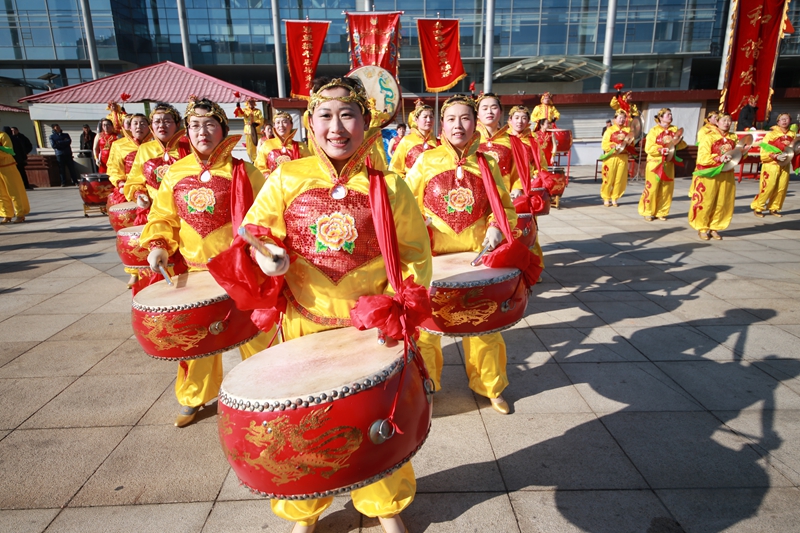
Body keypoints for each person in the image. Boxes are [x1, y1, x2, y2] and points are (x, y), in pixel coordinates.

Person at [210, 76, 432, 533]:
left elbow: (415, 255)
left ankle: (385, 506)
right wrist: (266, 256)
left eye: (347, 115)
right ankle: (305, 511)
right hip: (303, 324)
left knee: (376, 420)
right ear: (310, 123)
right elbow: (255, 233)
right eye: (325, 116)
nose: (336, 127)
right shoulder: (286, 177)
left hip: (370, 329)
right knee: (301, 423)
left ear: (366, 122)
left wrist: (397, 305)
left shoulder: (390, 186)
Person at [141, 96, 270, 428]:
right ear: (187, 131)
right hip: (194, 273)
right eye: (195, 125)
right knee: (197, 341)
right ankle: (193, 397)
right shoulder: (176, 172)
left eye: (210, 124)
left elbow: (265, 219)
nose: (202, 132)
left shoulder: (245, 171)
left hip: (240, 271)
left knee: (257, 335)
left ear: (222, 129)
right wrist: (158, 246)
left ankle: (264, 393)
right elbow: (163, 217)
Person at [406, 94, 523, 416]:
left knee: (484, 326)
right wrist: (419, 221)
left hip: (476, 258)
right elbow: (404, 205)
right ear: (442, 125)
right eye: (451, 119)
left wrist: (496, 225)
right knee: (427, 330)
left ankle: (491, 387)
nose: (458, 125)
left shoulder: (487, 163)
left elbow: (504, 207)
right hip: (432, 260)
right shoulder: (426, 161)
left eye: (465, 118)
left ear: (475, 123)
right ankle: (427, 386)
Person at [689, 112, 739, 240]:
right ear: (717, 122)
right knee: (707, 200)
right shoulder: (709, 136)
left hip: (727, 173)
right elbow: (702, 157)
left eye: (729, 121)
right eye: (724, 120)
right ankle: (702, 227)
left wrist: (742, 152)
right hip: (710, 173)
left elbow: (738, 154)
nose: (727, 123)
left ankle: (715, 227)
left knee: (723, 201)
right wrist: (718, 158)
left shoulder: (733, 137)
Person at [637, 108, 687, 221]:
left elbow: (682, 145)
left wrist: (678, 141)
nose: (670, 116)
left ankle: (661, 212)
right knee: (652, 187)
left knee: (666, 188)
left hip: (668, 163)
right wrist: (660, 149)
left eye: (671, 114)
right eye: (667, 115)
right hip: (655, 163)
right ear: (660, 117)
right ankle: (647, 211)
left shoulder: (674, 129)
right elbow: (648, 148)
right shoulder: (654, 131)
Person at [751, 112, 796, 217]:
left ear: (790, 121)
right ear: (778, 122)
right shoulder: (771, 134)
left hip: (785, 164)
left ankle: (774, 207)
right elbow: (764, 150)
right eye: (782, 119)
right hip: (771, 164)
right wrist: (775, 156)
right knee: (768, 187)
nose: (784, 121)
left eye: (786, 119)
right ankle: (758, 207)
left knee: (781, 187)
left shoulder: (792, 134)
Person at [106, 113, 152, 207]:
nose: (139, 126)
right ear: (130, 128)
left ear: (149, 127)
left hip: (151, 188)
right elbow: (114, 168)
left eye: (143, 124)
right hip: (128, 188)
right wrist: (121, 183)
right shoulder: (119, 145)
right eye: (135, 123)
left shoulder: (155, 145)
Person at [476, 93, 519, 192]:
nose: (489, 112)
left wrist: (517, 188)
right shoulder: (469, 140)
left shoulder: (512, 141)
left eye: (494, 108)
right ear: (477, 114)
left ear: (501, 111)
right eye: (485, 108)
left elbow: (519, 171)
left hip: (504, 194)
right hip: (477, 194)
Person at [388, 100, 439, 178]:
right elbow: (395, 168)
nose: (429, 120)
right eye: (425, 117)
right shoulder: (406, 141)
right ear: (416, 119)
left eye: (431, 117)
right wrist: (404, 182)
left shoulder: (438, 143)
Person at [253, 110, 311, 178]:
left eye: (284, 122)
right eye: (278, 123)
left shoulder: (301, 146)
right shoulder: (267, 145)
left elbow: (309, 167)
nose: (281, 125)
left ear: (291, 125)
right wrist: (267, 176)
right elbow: (259, 167)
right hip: (273, 183)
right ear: (274, 126)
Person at [599, 110, 631, 207]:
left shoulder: (628, 130)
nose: (622, 120)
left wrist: (629, 145)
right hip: (611, 158)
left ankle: (615, 197)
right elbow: (604, 144)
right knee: (609, 178)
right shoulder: (609, 130)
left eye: (623, 118)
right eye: (620, 118)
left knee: (620, 179)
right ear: (615, 119)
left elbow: (631, 143)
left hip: (623, 157)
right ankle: (606, 197)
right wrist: (613, 146)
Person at [0, 125, 30, 223]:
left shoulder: (3, 136)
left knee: (14, 191)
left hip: (7, 167)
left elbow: (9, 151)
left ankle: (20, 214)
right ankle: (6, 214)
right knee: (1, 194)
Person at [234, 97, 264, 162]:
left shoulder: (258, 111)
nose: (251, 103)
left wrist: (257, 123)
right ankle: (253, 160)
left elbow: (261, 120)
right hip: (248, 131)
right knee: (250, 147)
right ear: (247, 103)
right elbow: (239, 114)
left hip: (257, 131)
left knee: (259, 145)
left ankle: (259, 160)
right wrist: (238, 107)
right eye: (250, 102)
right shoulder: (245, 110)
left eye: (252, 102)